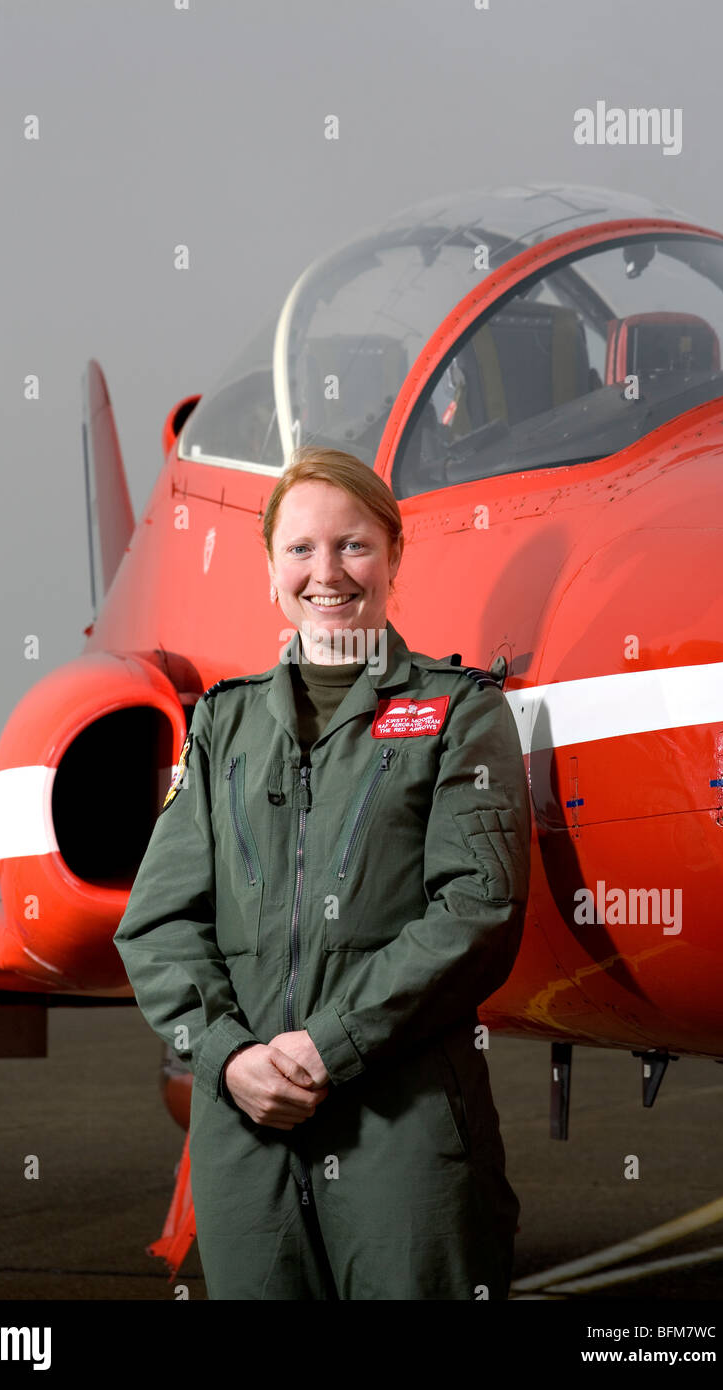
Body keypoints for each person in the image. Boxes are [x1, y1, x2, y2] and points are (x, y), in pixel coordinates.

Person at [113, 445, 531, 1300]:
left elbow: (478, 909)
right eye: (301, 549)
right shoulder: (223, 727)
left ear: (394, 557)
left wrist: (327, 1047)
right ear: (271, 571)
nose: (327, 572)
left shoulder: (461, 712)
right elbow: (157, 924)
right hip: (244, 1137)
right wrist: (229, 1060)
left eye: (354, 545)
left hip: (405, 1133)